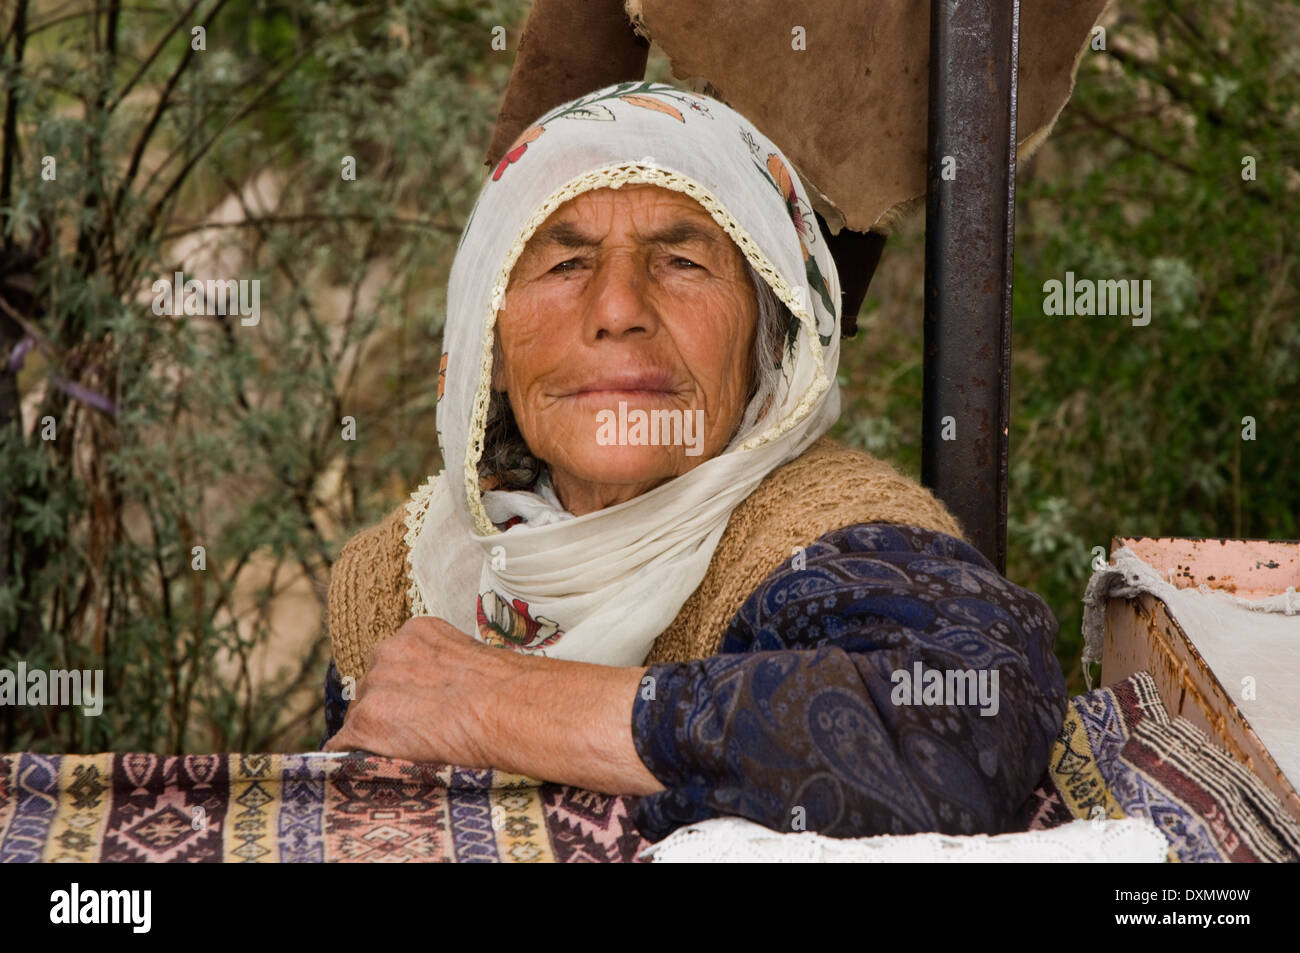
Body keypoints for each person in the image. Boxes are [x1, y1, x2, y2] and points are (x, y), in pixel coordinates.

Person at [321, 81, 1067, 842]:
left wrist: (498, 700)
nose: (617, 309)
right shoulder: (401, 580)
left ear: (768, 334)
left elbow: (965, 718)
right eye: (564, 264)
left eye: (681, 260)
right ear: (491, 349)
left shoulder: (818, 530)